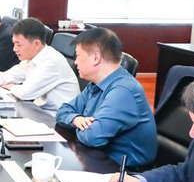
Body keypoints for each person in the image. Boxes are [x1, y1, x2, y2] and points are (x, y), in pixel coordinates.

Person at [55, 28, 156, 166]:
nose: (75, 62)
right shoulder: (95, 84)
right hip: (96, 158)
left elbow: (92, 137)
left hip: (123, 171)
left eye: (78, 56)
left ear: (95, 58)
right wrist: (76, 119)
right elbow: (63, 111)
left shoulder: (123, 90)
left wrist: (81, 125)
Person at [0, 18, 79, 113]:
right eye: (14, 44)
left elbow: (24, 93)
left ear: (36, 44)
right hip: (40, 111)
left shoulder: (51, 61)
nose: (14, 49)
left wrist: (11, 86)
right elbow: (6, 76)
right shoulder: (30, 59)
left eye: (18, 45)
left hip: (59, 119)